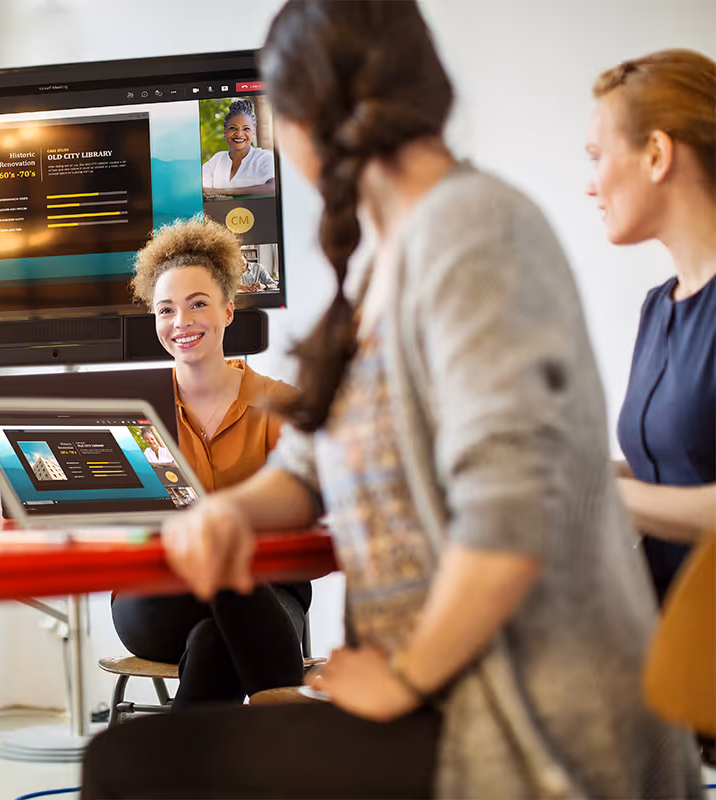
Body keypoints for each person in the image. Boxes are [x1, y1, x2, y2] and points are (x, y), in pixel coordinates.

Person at [82, 2, 700, 798]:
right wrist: (230, 512)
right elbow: (303, 469)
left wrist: (405, 679)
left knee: (139, 767)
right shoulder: (385, 266)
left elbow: (513, 508)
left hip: (532, 731)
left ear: (310, 114)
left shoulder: (478, 231)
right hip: (442, 707)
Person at [110, 215, 309, 709]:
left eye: (198, 304)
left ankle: (179, 781)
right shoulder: (132, 411)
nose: (181, 323)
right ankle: (290, 738)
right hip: (157, 595)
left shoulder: (281, 405)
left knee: (213, 641)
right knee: (218, 620)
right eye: (166, 310)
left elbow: (314, 509)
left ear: (228, 310)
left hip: (266, 593)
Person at [585, 47, 716, 764]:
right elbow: (667, 474)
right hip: (660, 641)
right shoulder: (656, 309)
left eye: (599, 154)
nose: (590, 183)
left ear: (658, 153)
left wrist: (599, 492)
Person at [201, 98, 276, 198]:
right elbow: (200, 190)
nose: (239, 134)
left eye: (246, 129)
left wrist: (223, 192)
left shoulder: (263, 157)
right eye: (233, 128)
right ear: (225, 132)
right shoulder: (217, 159)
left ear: (253, 132)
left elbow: (273, 187)